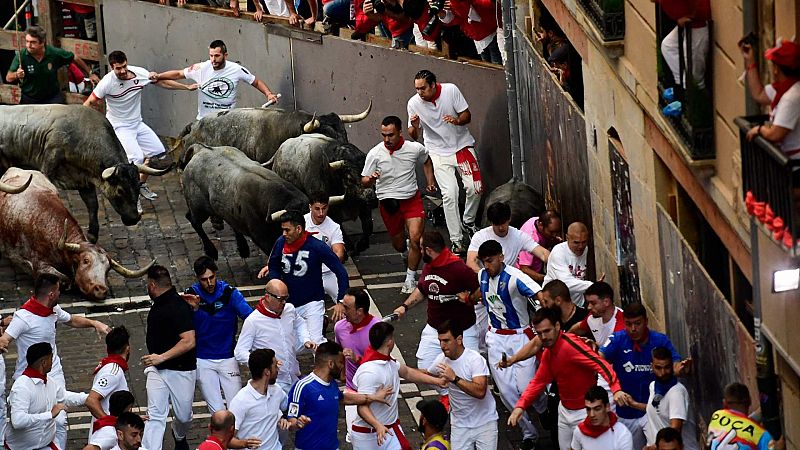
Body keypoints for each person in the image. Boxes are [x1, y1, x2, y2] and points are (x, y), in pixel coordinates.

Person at [0, 273, 108, 450]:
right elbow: (6, 338)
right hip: (28, 376)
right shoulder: (22, 318)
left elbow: (72, 320)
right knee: (31, 421)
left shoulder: (54, 310)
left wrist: (94, 323)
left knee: (60, 418)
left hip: (53, 370)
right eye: (58, 290)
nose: (60, 294)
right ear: (51, 294)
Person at [84, 50, 195, 212]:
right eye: (117, 69)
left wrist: (186, 87)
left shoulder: (140, 73)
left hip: (137, 123)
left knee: (156, 152)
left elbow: (161, 82)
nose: (122, 71)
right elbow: (90, 102)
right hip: (120, 126)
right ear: (111, 67)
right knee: (135, 158)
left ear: (127, 63)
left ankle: (140, 185)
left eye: (124, 67)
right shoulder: (107, 83)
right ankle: (133, 196)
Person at [509, 307, 627, 450]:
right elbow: (538, 381)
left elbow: (600, 363)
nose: (544, 337)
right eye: (539, 333)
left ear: (557, 326)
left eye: (547, 331)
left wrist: (616, 389)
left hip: (585, 412)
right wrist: (520, 406)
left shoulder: (571, 346)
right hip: (564, 411)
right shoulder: (548, 353)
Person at [477, 239, 543, 448]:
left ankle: (544, 408)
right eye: (484, 262)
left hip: (519, 336)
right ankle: (529, 434)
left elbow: (538, 294)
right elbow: (481, 296)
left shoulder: (516, 277)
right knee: (505, 391)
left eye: (490, 261)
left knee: (526, 387)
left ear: (501, 257)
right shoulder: (481, 276)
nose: (487, 266)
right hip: (496, 338)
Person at [407, 70, 482, 253]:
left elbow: (467, 115)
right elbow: (413, 135)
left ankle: (469, 221)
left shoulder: (450, 91)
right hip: (438, 152)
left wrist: (457, 121)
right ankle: (457, 240)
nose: (419, 93)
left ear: (433, 85)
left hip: (462, 146)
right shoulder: (413, 103)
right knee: (450, 194)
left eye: (423, 88)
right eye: (417, 89)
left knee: (475, 187)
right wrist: (415, 126)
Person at [362, 115, 436, 294]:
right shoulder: (375, 153)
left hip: (411, 201)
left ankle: (410, 279)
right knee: (399, 245)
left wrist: (430, 180)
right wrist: (370, 179)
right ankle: (406, 251)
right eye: (383, 135)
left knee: (417, 239)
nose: (387, 139)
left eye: (391, 135)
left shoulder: (414, 148)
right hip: (388, 204)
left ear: (400, 132)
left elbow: (426, 159)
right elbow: (364, 180)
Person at [600, 302, 689, 450]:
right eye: (628, 324)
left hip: (652, 412)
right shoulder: (616, 339)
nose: (633, 329)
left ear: (646, 321)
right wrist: (615, 388)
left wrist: (681, 369)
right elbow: (599, 361)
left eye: (637, 323)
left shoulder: (660, 340)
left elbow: (675, 364)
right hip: (626, 412)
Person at [393, 230, 481, 380]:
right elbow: (422, 289)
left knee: (470, 375)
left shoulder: (459, 268)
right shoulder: (429, 265)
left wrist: (470, 299)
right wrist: (404, 306)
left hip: (463, 332)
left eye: (421, 249)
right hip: (435, 329)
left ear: (428, 250)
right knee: (425, 369)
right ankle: (447, 397)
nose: (419, 252)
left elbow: (481, 287)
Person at [258, 211, 349, 345]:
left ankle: (327, 362)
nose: (284, 234)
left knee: (315, 341)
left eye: (287, 230)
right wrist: (276, 287)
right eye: (282, 230)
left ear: (299, 229)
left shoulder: (317, 246)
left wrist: (341, 300)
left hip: (312, 302)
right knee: (285, 344)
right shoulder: (280, 242)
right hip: (288, 304)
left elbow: (341, 272)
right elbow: (274, 265)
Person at [351, 322, 446, 450]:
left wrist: (437, 382)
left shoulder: (389, 362)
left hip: (389, 431)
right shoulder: (370, 372)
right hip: (368, 437)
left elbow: (408, 372)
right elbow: (362, 407)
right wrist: (378, 425)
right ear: (390, 342)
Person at [285, 341, 395, 450]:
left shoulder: (332, 384)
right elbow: (291, 421)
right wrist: (298, 424)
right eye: (341, 362)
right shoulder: (303, 387)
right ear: (331, 364)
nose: (344, 366)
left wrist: (373, 397)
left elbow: (343, 398)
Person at [182, 256, 253, 413]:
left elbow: (252, 319)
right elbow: (180, 328)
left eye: (211, 277)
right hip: (203, 360)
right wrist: (191, 311)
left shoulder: (230, 294)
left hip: (228, 357)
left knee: (236, 409)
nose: (209, 283)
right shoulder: (190, 297)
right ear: (197, 278)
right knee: (218, 412)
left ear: (216, 273)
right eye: (204, 279)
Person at [140, 265, 197, 450]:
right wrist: (157, 362)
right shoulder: (164, 303)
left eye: (148, 285)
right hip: (157, 371)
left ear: (153, 285)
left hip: (181, 370)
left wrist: (161, 357)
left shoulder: (178, 306)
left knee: (183, 416)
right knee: (155, 416)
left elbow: (188, 341)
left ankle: (179, 435)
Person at [151, 39, 279, 120]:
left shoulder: (236, 69)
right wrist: (159, 76)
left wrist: (268, 94)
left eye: (217, 56)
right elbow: (179, 74)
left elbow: (255, 81)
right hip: (204, 120)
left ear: (225, 55)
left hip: (226, 119)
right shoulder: (200, 68)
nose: (213, 59)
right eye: (211, 56)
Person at [234, 279, 315, 395]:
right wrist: (264, 363)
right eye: (280, 299)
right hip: (272, 384)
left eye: (286, 298)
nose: (283, 303)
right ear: (267, 297)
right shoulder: (253, 321)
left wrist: (305, 339)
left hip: (294, 377)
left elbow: (300, 323)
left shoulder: (290, 309)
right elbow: (240, 352)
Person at [427, 321, 498, 450]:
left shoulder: (475, 360)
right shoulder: (441, 360)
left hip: (485, 423)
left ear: (459, 340)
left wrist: (454, 379)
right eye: (440, 341)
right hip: (459, 426)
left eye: (446, 341)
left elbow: (480, 391)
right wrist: (401, 369)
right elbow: (427, 374)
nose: (442, 346)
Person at [6, 342, 84, 450]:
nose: (53, 362)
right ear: (43, 362)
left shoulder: (50, 382)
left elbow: (63, 397)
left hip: (46, 445)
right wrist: (49, 414)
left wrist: (86, 398)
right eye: (51, 359)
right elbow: (18, 421)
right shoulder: (22, 387)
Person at [5, 26, 99, 104]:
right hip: (30, 98)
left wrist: (90, 73)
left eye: (33, 42)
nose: (29, 45)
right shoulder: (22, 56)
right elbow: (8, 78)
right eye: (27, 41)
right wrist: (17, 75)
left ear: (42, 43)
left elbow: (74, 57)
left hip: (52, 97)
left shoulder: (54, 53)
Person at [741, 39, 800, 162]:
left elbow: (775, 134)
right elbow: (759, 94)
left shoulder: (792, 97)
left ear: (776, 69)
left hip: (794, 167)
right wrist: (750, 61)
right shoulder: (785, 88)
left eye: (773, 64)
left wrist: (759, 129)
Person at [334, 288, 382, 440]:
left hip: (375, 392)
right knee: (354, 435)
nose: (342, 309)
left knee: (379, 435)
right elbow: (340, 355)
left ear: (360, 311)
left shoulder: (378, 329)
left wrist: (358, 360)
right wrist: (342, 375)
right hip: (352, 391)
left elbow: (382, 363)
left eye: (346, 307)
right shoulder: (339, 328)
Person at [467, 202, 551, 281]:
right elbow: (471, 262)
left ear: (509, 219)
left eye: (503, 223)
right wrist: (485, 278)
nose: (501, 228)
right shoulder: (480, 236)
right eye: (497, 224)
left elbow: (542, 253)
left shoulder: (519, 236)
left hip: (508, 282)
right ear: (491, 222)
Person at [228, 348, 288, 450]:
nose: (278, 369)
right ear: (267, 372)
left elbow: (288, 406)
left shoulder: (277, 390)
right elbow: (226, 440)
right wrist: (245, 443)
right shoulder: (241, 401)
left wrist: (282, 418)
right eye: (275, 366)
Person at [642, 347, 699, 450]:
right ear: (652, 367)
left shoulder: (676, 392)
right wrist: (632, 404)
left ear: (672, 365)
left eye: (667, 367)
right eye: (658, 368)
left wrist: (655, 447)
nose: (663, 373)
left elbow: (675, 430)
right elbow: (657, 409)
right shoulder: (653, 386)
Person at [304, 191, 347, 313]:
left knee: (348, 304)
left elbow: (339, 253)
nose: (321, 213)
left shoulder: (334, 227)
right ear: (310, 207)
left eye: (324, 208)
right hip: (306, 273)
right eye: (317, 209)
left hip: (328, 273)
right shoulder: (301, 224)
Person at [653, 0, 710, 90]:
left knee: (694, 70)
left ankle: (696, 92)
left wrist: (692, 15)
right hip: (688, 25)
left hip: (698, 25)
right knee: (668, 46)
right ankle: (682, 84)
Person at [706, 382, 780, 450]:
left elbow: (738, 425)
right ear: (750, 401)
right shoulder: (762, 435)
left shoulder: (716, 415)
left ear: (724, 403)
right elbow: (744, 425)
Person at [543, 222, 599, 307]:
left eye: (584, 242)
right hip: (555, 305)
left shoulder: (585, 250)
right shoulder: (558, 253)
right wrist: (592, 286)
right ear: (567, 238)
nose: (580, 246)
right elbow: (566, 283)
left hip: (577, 304)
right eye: (576, 243)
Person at [86, 327, 131, 430]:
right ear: (127, 349)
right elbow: (91, 400)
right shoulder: (112, 372)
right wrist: (110, 423)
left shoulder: (109, 367)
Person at [569, 385, 633, 450]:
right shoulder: (579, 431)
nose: (592, 415)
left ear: (607, 407)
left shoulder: (622, 433)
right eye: (588, 409)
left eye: (597, 409)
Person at [517, 210, 563, 279]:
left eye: (556, 232)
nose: (554, 235)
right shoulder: (529, 238)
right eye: (551, 232)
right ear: (540, 225)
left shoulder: (536, 220)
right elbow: (524, 269)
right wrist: (545, 279)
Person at [197, 409, 262, 450]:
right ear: (232, 429)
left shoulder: (208, 446)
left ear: (209, 426)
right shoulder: (215, 447)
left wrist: (245, 444)